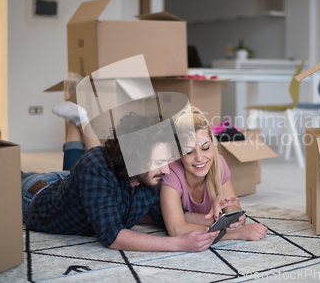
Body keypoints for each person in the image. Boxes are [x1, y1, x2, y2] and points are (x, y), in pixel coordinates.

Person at [21, 101, 219, 252]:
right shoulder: (95, 167)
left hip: (71, 184)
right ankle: (78, 121)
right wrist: (178, 244)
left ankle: (76, 122)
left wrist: (217, 220)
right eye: (159, 162)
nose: (167, 171)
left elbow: (173, 215)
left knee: (73, 174)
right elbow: (112, 236)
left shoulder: (149, 177)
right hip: (36, 194)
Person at [160, 106, 268, 241]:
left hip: (193, 218)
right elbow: (176, 229)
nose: (199, 158)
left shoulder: (218, 164)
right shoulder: (171, 172)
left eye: (205, 148)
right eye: (189, 151)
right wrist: (235, 235)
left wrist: (226, 203)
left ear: (212, 143)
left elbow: (239, 219)